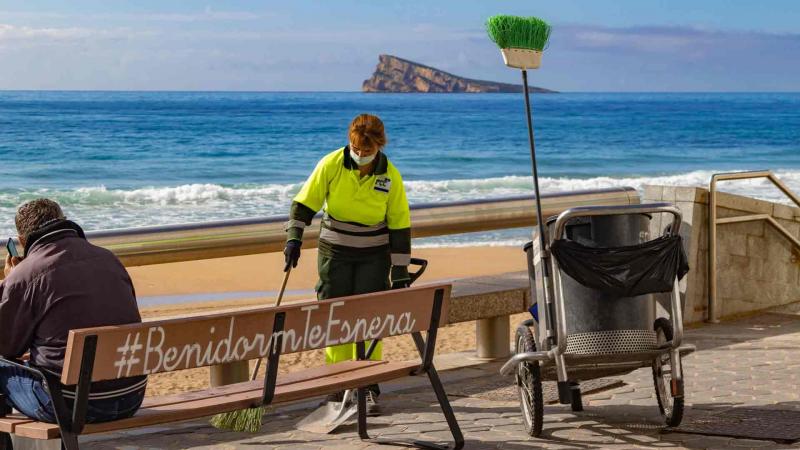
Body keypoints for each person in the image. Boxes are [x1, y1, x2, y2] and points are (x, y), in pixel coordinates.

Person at [284, 114, 411, 415]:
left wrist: (401, 270)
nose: (360, 154)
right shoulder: (331, 164)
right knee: (334, 316)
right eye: (356, 148)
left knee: (370, 319)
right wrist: (293, 238)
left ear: (379, 146)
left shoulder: (390, 176)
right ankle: (337, 384)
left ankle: (367, 384)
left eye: (367, 151)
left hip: (373, 256)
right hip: (335, 254)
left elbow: (400, 225)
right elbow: (304, 203)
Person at [0, 198, 147, 424]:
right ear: (64, 220)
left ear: (21, 240)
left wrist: (10, 282)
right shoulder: (109, 258)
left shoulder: (26, 274)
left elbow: (6, 345)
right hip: (130, 396)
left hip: (70, 404)